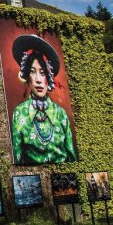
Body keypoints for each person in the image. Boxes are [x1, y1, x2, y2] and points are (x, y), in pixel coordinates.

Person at [10, 34, 76, 165]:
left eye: (42, 73)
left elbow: (72, 158)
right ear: (27, 76)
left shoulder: (61, 114)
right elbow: (17, 159)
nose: (38, 80)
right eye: (32, 72)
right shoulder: (19, 113)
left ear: (49, 78)